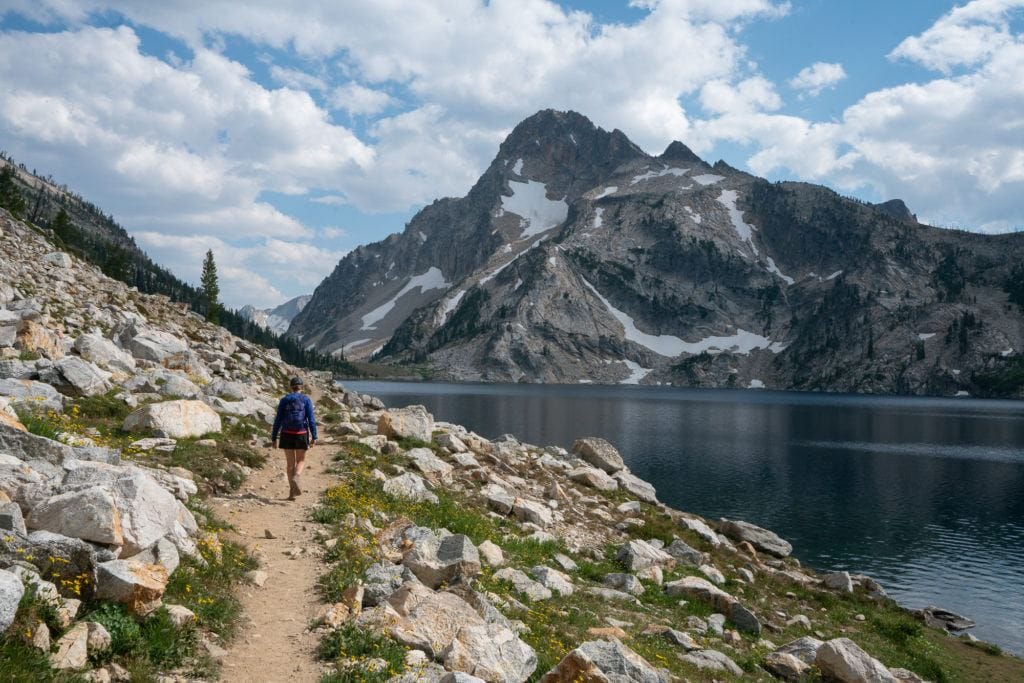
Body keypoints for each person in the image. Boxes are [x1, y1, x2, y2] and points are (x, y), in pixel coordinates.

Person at [271, 376, 317, 500]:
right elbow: (311, 419)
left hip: (286, 434)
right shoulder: (306, 400)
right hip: (301, 434)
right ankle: (297, 476)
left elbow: (278, 420)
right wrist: (314, 436)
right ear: (301, 387)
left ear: (291, 387)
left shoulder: (285, 400)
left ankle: (291, 492)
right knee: (301, 460)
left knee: (290, 464)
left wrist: (274, 437)